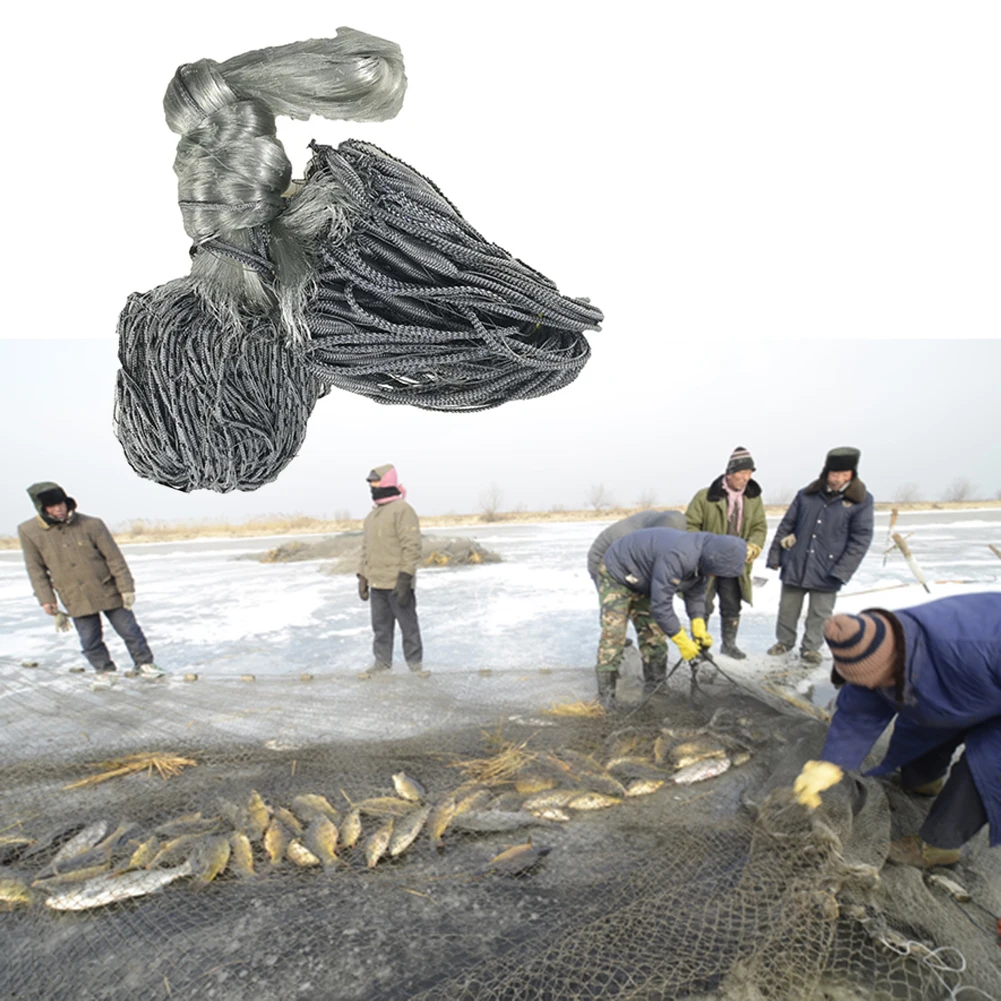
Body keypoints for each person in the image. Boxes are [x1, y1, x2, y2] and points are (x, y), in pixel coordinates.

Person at [792, 596, 1001, 867]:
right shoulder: (869, 646)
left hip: (983, 664)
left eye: (879, 681)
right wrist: (831, 765)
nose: (872, 687)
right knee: (922, 721)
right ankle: (924, 781)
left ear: (897, 662)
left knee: (987, 764)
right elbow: (858, 714)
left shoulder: (978, 647)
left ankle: (939, 845)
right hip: (968, 685)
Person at [17, 482, 162, 687]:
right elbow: (36, 569)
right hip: (73, 595)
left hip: (107, 589)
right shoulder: (29, 531)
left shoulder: (91, 524)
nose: (59, 509)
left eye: (61, 504)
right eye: (52, 506)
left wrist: (126, 587)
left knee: (130, 630)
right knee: (89, 638)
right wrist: (46, 599)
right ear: (42, 509)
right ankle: (104, 670)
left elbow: (114, 558)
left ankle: (144, 663)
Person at [594, 527, 747, 707]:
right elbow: (661, 606)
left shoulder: (704, 560)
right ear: (715, 559)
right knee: (614, 634)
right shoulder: (678, 557)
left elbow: (696, 593)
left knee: (654, 634)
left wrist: (698, 622)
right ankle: (606, 697)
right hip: (618, 572)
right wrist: (681, 640)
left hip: (646, 578)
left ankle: (656, 687)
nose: (715, 576)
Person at [765, 447, 874, 666]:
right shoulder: (806, 495)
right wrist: (775, 555)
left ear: (852, 474)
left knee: (820, 613)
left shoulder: (861, 501)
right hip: (797, 562)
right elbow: (786, 525)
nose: (837, 479)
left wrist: (842, 571)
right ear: (826, 472)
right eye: (834, 474)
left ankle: (811, 648)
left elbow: (860, 540)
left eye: (843, 474)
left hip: (829, 568)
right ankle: (784, 642)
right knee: (787, 609)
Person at [587, 509, 686, 692]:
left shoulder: (675, 538)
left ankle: (656, 685)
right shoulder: (630, 536)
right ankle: (607, 692)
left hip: (641, 574)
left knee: (653, 628)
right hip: (608, 568)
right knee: (614, 631)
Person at [685, 447, 767, 659]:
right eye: (742, 472)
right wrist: (704, 550)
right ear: (729, 473)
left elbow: (759, 527)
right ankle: (700, 647)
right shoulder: (705, 497)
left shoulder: (753, 498)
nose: (746, 478)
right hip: (707, 564)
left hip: (735, 563)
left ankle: (729, 644)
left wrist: (753, 547)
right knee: (702, 605)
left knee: (732, 603)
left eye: (749, 473)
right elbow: (690, 526)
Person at [357, 464, 424, 675]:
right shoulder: (372, 516)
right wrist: (362, 576)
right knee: (381, 629)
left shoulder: (402, 510)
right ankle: (382, 664)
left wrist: (405, 577)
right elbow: (366, 548)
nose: (372, 486)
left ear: (387, 481)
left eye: (375, 481)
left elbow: (412, 546)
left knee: (408, 627)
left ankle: (415, 666)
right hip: (377, 583)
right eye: (370, 482)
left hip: (397, 582)